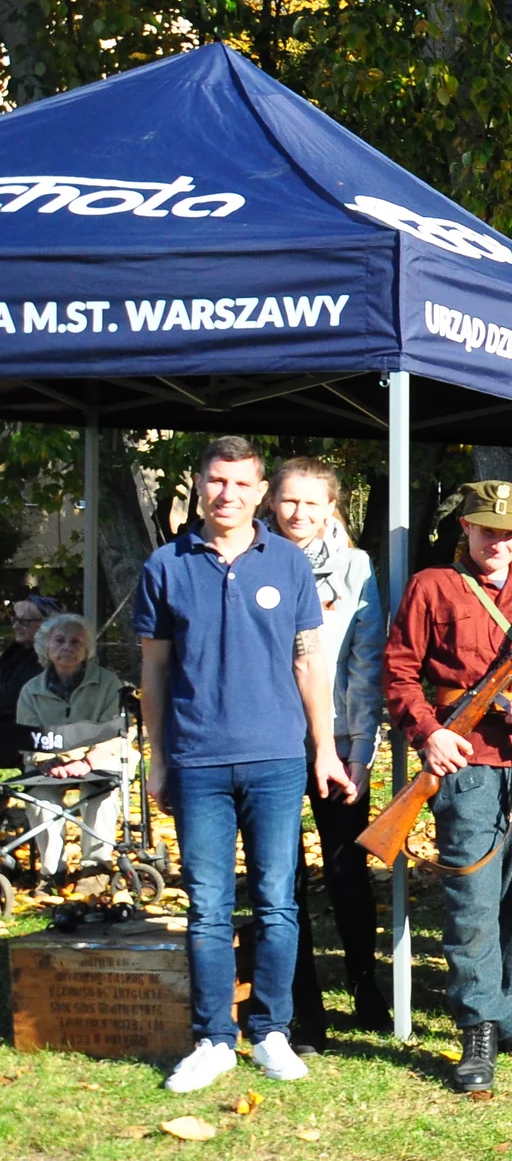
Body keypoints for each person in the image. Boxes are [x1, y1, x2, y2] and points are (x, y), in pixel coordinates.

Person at [137, 436, 355, 1094]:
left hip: (277, 758)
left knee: (277, 903)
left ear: (260, 491)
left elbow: (309, 660)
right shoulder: (165, 566)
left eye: (240, 483)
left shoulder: (288, 564)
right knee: (206, 907)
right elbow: (153, 669)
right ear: (198, 484)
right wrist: (158, 757)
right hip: (198, 758)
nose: (227, 493)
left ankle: (272, 1032)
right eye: (215, 480)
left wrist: (324, 748)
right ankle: (212, 1039)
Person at [382, 479, 512, 1093]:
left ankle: (509, 1009)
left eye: (511, 532)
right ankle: (478, 1028)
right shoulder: (431, 588)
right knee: (472, 896)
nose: (499, 541)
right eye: (488, 529)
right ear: (465, 528)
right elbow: (398, 672)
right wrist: (429, 734)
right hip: (464, 762)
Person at [265, 457, 390, 1047]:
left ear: (332, 507)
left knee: (345, 868)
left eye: (313, 503)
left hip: (337, 742)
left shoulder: (355, 568)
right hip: (268, 741)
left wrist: (361, 752)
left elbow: (367, 667)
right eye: (290, 501)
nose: (300, 514)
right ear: (272, 501)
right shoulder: (252, 560)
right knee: (281, 876)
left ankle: (366, 983)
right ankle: (301, 1005)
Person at [12, 613, 132, 883]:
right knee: (41, 798)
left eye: (76, 641)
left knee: (100, 792)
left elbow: (119, 731)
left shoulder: (109, 683)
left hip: (98, 758)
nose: (67, 647)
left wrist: (89, 761)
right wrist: (45, 759)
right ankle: (53, 872)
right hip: (51, 761)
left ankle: (96, 868)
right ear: (46, 646)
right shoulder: (31, 690)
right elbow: (26, 735)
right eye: (60, 640)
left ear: (87, 649)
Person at [0, 595, 59, 759]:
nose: (16, 626)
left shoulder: (46, 659)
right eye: (15, 619)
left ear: (46, 624)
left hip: (25, 731)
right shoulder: (15, 652)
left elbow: (13, 696)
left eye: (25, 621)